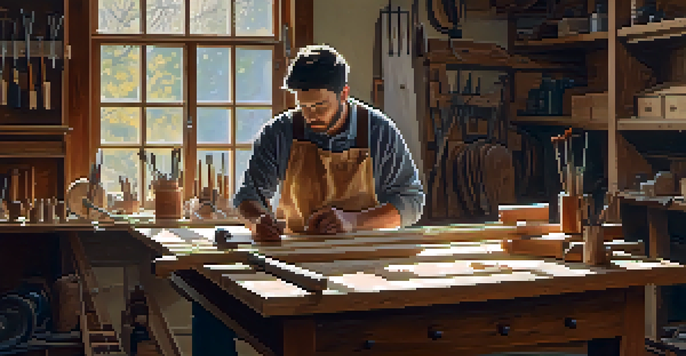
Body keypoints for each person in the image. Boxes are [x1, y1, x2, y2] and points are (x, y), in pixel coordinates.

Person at [233, 44, 424, 241]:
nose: (310, 115)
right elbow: (248, 196)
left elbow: (412, 202)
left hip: (363, 252)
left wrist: (353, 222)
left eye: (320, 106)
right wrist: (257, 221)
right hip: (296, 253)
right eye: (303, 106)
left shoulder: (378, 131)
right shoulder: (279, 132)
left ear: (344, 94)